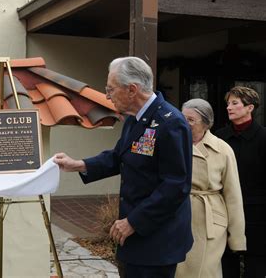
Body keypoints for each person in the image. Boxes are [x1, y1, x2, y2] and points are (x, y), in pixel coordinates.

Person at [54, 56, 193, 278]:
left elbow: (176, 185)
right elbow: (119, 156)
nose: (107, 96)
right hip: (133, 235)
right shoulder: (134, 119)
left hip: (156, 239)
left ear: (132, 90)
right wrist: (78, 165)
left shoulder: (171, 123)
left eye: (111, 89)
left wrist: (134, 222)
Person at [175, 98, 246, 278]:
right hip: (178, 215)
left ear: (206, 124)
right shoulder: (173, 144)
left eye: (191, 120)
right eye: (183, 118)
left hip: (210, 221)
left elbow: (233, 195)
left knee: (206, 271)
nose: (185, 123)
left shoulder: (223, 149)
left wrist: (237, 239)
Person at [216, 86, 266, 278]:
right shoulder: (219, 137)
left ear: (250, 108)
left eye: (235, 103)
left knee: (256, 269)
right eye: (228, 103)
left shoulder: (263, 138)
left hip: (257, 217)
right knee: (227, 267)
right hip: (225, 214)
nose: (229, 107)